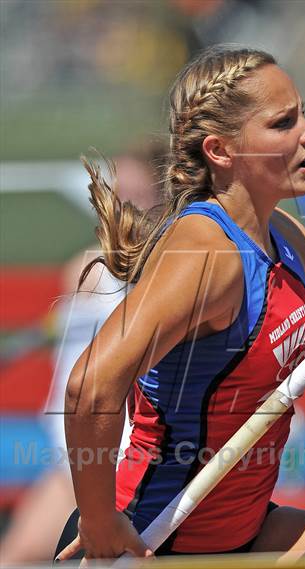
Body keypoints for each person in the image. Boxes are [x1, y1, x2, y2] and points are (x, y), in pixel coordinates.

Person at [56, 45, 305, 563]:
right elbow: (90, 386)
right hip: (156, 541)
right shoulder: (206, 252)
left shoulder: (283, 232)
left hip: (242, 530)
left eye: (303, 114)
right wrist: (99, 520)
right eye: (283, 122)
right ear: (221, 151)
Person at [0, 145, 164, 565]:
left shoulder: (169, 270)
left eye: (134, 194)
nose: (120, 207)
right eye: (115, 193)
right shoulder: (88, 267)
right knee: (17, 557)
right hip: (75, 457)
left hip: (113, 458)